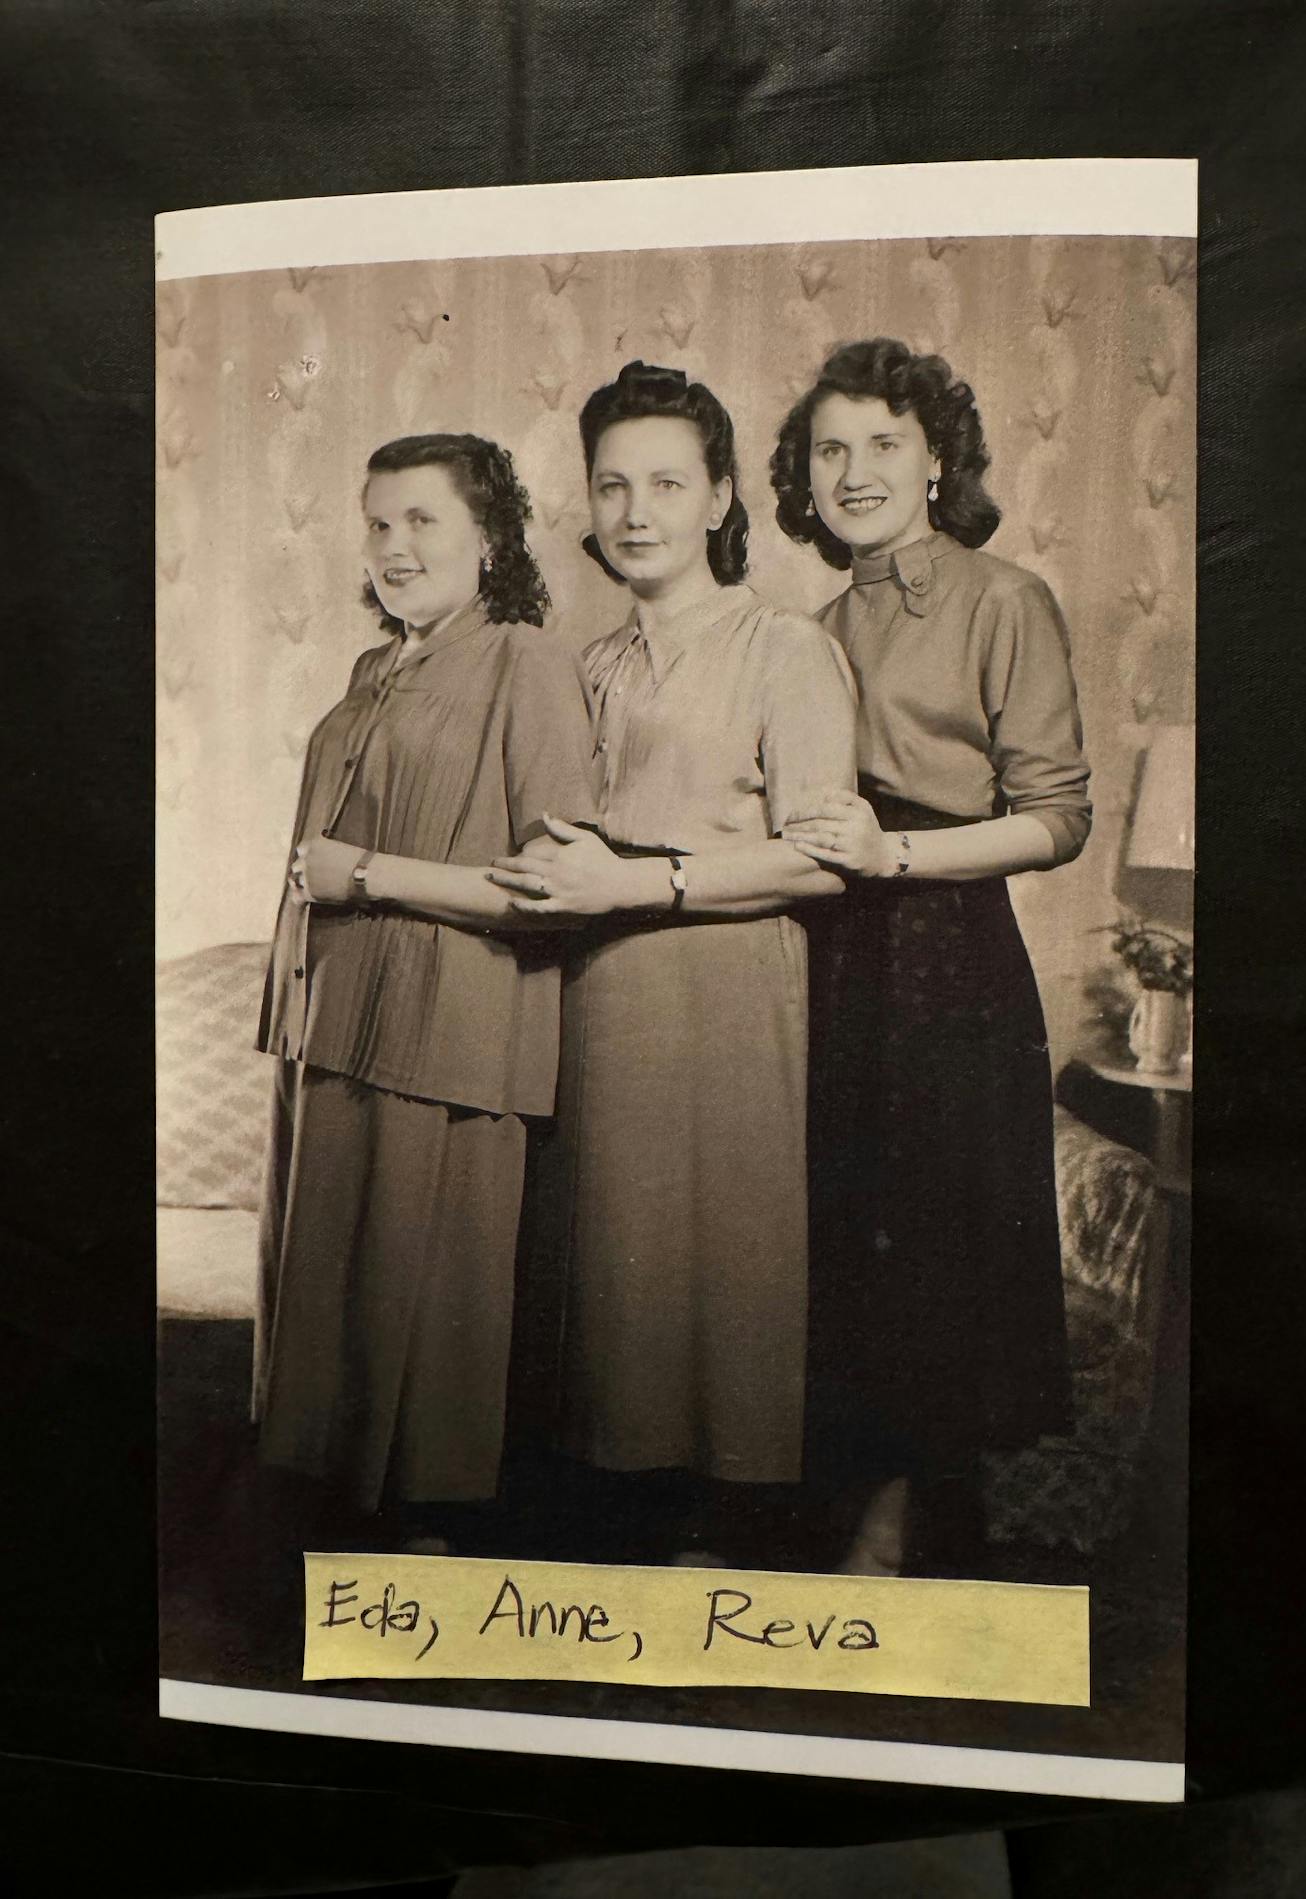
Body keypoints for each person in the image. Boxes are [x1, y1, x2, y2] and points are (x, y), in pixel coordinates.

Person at [488, 361, 858, 1566]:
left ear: (717, 499)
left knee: (719, 1273)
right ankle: (612, 1553)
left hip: (729, 998)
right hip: (596, 998)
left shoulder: (783, 647)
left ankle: (723, 1545)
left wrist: (641, 881)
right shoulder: (583, 666)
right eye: (610, 486)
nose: (635, 510)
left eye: (664, 481)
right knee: (607, 1285)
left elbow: (820, 861)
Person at [770, 337, 1092, 1578]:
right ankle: (836, 1509)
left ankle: (901, 1524)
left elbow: (1056, 819)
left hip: (946, 952)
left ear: (936, 460)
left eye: (882, 445)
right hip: (823, 944)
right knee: (834, 1228)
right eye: (828, 449)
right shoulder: (806, 627)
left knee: (934, 1240)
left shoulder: (1002, 599)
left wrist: (894, 857)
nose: (852, 472)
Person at [254, 432, 597, 1554]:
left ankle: (428, 1562)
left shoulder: (525, 661)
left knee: (432, 1319)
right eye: (378, 523)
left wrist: (371, 876)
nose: (393, 548)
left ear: (490, 537)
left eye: (423, 522)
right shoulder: (376, 668)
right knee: (340, 1318)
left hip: (454, 1025)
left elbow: (557, 889)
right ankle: (342, 1555)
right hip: (343, 1016)